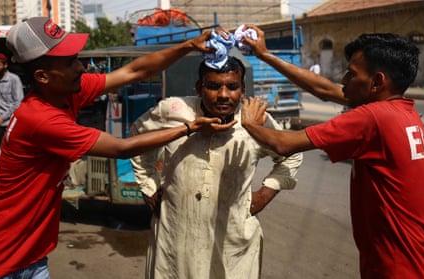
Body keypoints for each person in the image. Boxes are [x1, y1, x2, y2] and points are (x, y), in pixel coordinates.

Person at [0, 17, 235, 279]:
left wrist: (188, 45)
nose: (80, 67)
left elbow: (134, 71)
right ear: (42, 76)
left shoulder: (66, 92)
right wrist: (190, 128)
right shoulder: (40, 119)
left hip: (32, 256)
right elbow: (122, 148)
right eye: (69, 62)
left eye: (76, 57)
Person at [239, 25, 424, 278]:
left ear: (377, 81)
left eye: (351, 74)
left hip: (396, 270)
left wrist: (248, 122)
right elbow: (325, 90)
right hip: (418, 265)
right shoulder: (401, 110)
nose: (343, 80)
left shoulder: (373, 117)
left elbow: (284, 144)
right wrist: (264, 55)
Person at [130, 56, 303, 279]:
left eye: (232, 87)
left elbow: (292, 155)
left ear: (242, 90)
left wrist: (265, 193)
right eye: (213, 86)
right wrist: (149, 183)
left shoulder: (255, 120)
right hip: (175, 234)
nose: (222, 95)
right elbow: (139, 134)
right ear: (199, 88)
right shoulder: (173, 110)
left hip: (232, 240)